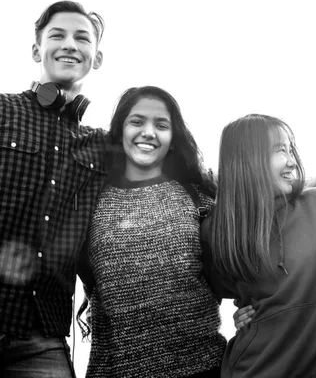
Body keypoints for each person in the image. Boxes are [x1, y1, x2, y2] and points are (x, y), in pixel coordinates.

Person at [0, 0, 106, 377]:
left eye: (82, 38)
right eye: (57, 35)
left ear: (97, 57)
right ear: (36, 50)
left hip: (43, 338)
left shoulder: (103, 148)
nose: (70, 44)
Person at [77, 86, 226, 377]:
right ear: (120, 131)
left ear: (173, 140)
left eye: (161, 125)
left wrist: (252, 307)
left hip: (203, 367)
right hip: (115, 370)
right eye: (137, 122)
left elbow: (228, 272)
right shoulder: (90, 200)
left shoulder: (198, 196)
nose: (148, 132)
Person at [203, 114, 316, 378]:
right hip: (252, 367)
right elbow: (225, 289)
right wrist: (251, 315)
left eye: (291, 149)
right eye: (281, 151)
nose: (292, 160)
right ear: (248, 159)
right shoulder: (219, 228)